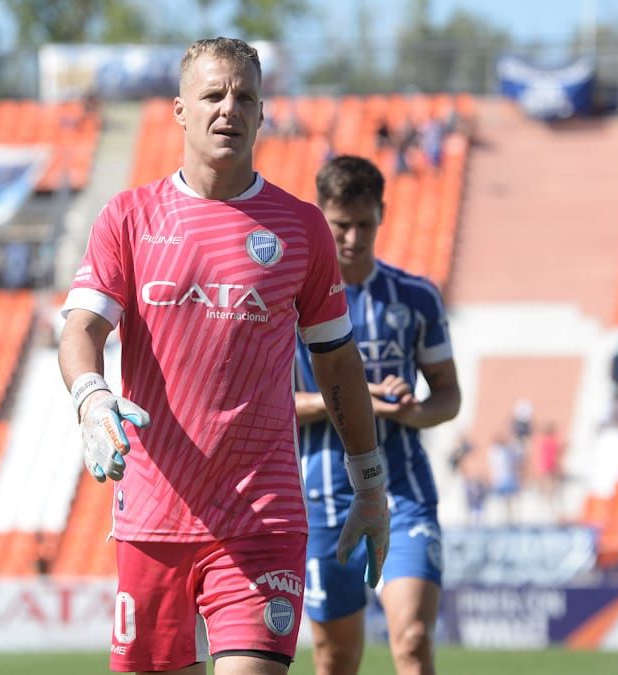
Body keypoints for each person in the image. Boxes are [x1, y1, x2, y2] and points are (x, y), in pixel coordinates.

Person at [58, 38, 388, 675]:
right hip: (152, 519)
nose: (228, 109)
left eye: (245, 97)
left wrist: (369, 483)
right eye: (212, 95)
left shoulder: (300, 227)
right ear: (180, 110)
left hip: (261, 518)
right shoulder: (127, 218)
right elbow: (80, 330)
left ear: (262, 115)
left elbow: (338, 362)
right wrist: (91, 397)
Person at [293, 156, 461, 675]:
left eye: (364, 223)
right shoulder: (289, 300)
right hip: (323, 500)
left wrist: (411, 411)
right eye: (341, 225)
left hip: (402, 492)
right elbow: (272, 404)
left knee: (411, 642)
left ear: (382, 215)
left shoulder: (415, 297)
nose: (352, 237)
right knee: (336, 658)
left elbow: (448, 397)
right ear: (321, 218)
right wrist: (351, 398)